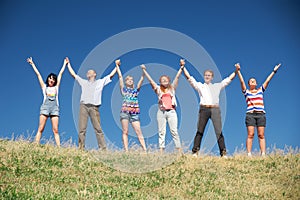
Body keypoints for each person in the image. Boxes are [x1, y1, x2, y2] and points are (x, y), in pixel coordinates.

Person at [181, 59, 236, 157]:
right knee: (200, 130)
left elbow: (228, 80)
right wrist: (183, 67)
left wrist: (236, 71)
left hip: (215, 110)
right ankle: (195, 152)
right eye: (205, 75)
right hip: (204, 109)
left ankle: (223, 154)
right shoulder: (200, 86)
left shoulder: (217, 86)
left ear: (212, 77)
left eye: (209, 75)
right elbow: (189, 78)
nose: (207, 76)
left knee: (218, 132)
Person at [67, 58, 117, 150]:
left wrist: (117, 66)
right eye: (87, 72)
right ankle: (81, 148)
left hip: (94, 107)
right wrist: (68, 64)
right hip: (84, 106)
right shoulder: (83, 82)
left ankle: (103, 148)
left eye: (90, 72)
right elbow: (73, 75)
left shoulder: (100, 82)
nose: (88, 73)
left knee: (98, 128)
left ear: (94, 74)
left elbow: (111, 75)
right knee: (82, 129)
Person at [235, 63, 281, 157]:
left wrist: (274, 71)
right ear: (249, 84)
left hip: (261, 115)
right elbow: (242, 82)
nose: (253, 82)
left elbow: (267, 80)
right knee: (250, 134)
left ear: (256, 83)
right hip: (250, 115)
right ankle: (249, 154)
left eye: (254, 81)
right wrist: (238, 71)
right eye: (251, 81)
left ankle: (263, 154)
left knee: (261, 135)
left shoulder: (260, 90)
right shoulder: (246, 92)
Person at [141, 62, 183, 153]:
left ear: (168, 81)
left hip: (171, 112)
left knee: (174, 131)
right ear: (160, 82)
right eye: (162, 80)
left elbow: (177, 77)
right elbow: (150, 80)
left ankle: (179, 150)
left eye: (165, 79)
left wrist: (181, 68)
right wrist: (144, 70)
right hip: (161, 112)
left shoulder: (172, 89)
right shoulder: (158, 89)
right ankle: (161, 150)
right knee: (161, 132)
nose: (164, 80)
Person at [27, 57, 67, 146]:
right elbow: (38, 75)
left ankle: (59, 148)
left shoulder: (56, 88)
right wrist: (32, 63)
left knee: (55, 129)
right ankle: (36, 145)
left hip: (55, 109)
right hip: (45, 108)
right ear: (48, 79)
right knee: (41, 128)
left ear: (55, 81)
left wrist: (64, 64)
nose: (51, 80)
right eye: (50, 78)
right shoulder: (44, 87)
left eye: (53, 79)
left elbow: (60, 74)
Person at [115, 59, 147, 152]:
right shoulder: (123, 90)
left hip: (134, 113)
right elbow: (120, 77)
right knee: (125, 131)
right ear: (126, 82)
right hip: (125, 112)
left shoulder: (135, 91)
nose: (130, 81)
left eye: (132, 80)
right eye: (128, 80)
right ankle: (126, 150)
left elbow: (142, 79)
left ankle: (145, 150)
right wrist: (117, 66)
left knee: (138, 131)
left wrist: (143, 70)